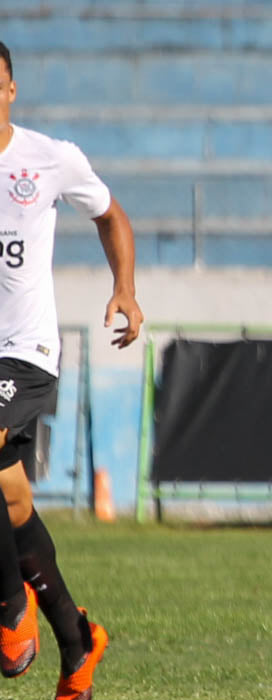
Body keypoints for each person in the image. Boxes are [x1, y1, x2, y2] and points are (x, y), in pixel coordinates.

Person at [0, 39, 140, 700]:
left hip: (24, 352)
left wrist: (125, 289)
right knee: (12, 497)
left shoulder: (49, 158)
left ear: (11, 89)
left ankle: (9, 614)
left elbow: (110, 214)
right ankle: (77, 640)